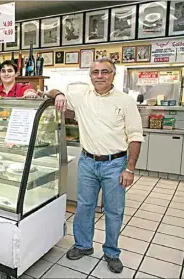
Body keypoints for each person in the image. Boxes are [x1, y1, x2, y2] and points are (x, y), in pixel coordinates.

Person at [51, 57, 143, 274]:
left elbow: (136, 136)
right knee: (84, 206)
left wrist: (130, 168)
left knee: (114, 211)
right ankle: (83, 245)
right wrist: (60, 95)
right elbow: (51, 91)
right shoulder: (81, 96)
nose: (100, 76)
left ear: (113, 75)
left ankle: (111, 252)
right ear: (90, 76)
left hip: (116, 164)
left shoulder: (125, 101)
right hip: (88, 162)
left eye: (105, 72)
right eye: (95, 72)